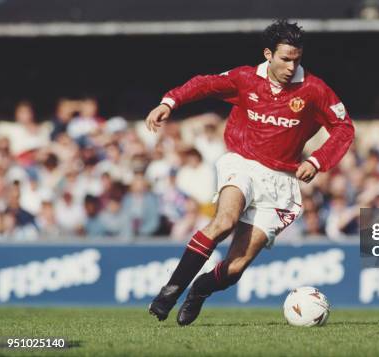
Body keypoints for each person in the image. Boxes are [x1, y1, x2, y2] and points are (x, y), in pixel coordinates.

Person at [145, 19, 354, 326]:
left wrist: (317, 160)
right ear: (268, 54)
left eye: (296, 60)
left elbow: (343, 127)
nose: (290, 66)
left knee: (235, 268)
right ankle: (170, 291)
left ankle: (200, 290)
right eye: (284, 59)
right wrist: (170, 101)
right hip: (241, 162)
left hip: (281, 181)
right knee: (224, 220)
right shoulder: (244, 78)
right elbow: (204, 83)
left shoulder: (313, 89)